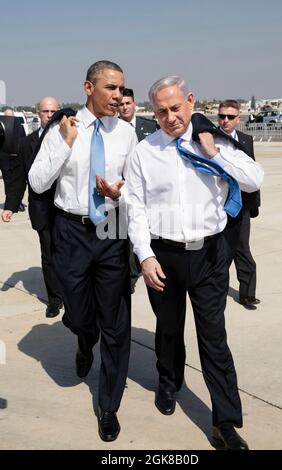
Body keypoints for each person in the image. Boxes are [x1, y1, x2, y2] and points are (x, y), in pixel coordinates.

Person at [125, 76, 264, 450]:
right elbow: (134, 208)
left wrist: (215, 153)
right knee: (168, 330)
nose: (170, 117)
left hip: (210, 255)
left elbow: (253, 180)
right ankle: (168, 382)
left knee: (214, 339)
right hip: (164, 256)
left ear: (190, 101)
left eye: (175, 108)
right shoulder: (144, 152)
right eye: (161, 112)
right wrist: (145, 255)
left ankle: (226, 422)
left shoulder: (215, 141)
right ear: (152, 113)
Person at [28, 61, 136, 442]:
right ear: (88, 88)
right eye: (110, 88)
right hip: (71, 229)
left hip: (112, 224)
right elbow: (38, 181)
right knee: (79, 311)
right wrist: (66, 144)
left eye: (121, 89)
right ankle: (83, 338)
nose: (118, 96)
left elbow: (135, 186)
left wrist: (120, 193)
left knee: (116, 321)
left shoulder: (126, 133)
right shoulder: (64, 129)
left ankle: (108, 406)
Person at [1, 97, 63, 318]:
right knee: (48, 255)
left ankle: (72, 294)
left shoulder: (71, 139)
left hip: (67, 210)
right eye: (45, 111)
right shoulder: (26, 144)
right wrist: (9, 206)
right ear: (38, 113)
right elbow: (19, 179)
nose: (49, 115)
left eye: (53, 111)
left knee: (68, 255)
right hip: (41, 210)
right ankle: (54, 299)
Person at [218, 100, 261, 309]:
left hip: (242, 206)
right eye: (222, 116)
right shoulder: (209, 139)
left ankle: (247, 294)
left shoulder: (246, 140)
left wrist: (255, 205)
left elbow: (252, 173)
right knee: (221, 252)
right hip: (218, 207)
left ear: (238, 119)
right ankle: (216, 291)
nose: (225, 121)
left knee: (242, 249)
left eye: (230, 117)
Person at [118, 88, 158, 293]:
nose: (124, 107)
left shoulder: (150, 128)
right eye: (121, 104)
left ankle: (145, 262)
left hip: (147, 190)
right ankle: (132, 274)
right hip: (123, 191)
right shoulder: (111, 129)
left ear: (134, 104)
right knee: (125, 234)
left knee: (146, 231)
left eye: (128, 103)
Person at [0, 109, 26, 212]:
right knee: (8, 182)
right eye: (7, 117)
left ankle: (18, 201)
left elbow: (23, 140)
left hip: (16, 158)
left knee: (17, 181)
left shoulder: (19, 127)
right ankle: (10, 202)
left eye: (10, 117)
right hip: (4, 159)